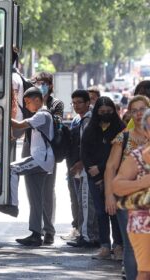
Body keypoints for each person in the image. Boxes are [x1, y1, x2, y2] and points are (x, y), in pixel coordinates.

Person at [105, 96, 150, 279]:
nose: (139, 113)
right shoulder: (123, 137)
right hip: (131, 201)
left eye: (142, 109)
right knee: (133, 248)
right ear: (130, 113)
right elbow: (110, 168)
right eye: (134, 110)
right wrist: (109, 195)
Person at [81, 96, 125, 259]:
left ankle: (118, 246)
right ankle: (105, 246)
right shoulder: (90, 129)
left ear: (113, 111)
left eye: (108, 112)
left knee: (114, 212)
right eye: (101, 112)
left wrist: (100, 169)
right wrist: (93, 172)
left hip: (114, 177)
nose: (105, 114)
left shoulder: (120, 128)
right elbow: (84, 153)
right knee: (100, 213)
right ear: (96, 112)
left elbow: (116, 155)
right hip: (94, 177)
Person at [10, 87, 54, 246]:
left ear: (37, 100)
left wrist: (0, 112)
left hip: (41, 159)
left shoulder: (42, 115)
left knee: (11, 169)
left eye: (28, 102)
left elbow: (20, 125)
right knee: (36, 200)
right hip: (42, 160)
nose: (27, 106)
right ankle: (36, 234)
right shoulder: (41, 115)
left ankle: (12, 205)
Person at [31, 72, 64, 245]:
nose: (40, 85)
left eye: (43, 83)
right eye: (36, 82)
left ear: (50, 85)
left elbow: (55, 122)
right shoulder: (28, 100)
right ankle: (35, 230)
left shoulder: (55, 103)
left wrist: (40, 106)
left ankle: (49, 230)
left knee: (47, 191)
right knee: (33, 192)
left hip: (48, 152)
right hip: (31, 150)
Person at [66, 90, 99, 248]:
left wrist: (81, 162)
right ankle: (92, 235)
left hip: (87, 167)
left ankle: (86, 237)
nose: (76, 106)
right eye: (74, 103)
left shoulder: (89, 119)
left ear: (88, 103)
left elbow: (88, 145)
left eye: (80, 102)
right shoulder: (81, 119)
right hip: (84, 166)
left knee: (85, 202)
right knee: (84, 201)